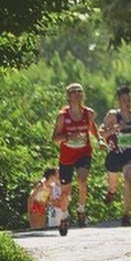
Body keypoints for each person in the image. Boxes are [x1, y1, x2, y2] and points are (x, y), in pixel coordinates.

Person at [51, 82, 102, 235]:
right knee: (66, 192)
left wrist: (99, 139)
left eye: (79, 91)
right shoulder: (62, 116)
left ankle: (81, 210)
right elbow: (54, 138)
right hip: (67, 155)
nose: (76, 94)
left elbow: (92, 126)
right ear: (68, 96)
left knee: (82, 180)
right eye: (73, 91)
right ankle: (64, 216)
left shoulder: (88, 113)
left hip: (84, 152)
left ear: (83, 94)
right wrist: (68, 136)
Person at [101, 86, 131, 227]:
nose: (127, 103)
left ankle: (126, 215)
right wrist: (114, 129)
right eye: (124, 100)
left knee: (128, 179)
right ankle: (111, 192)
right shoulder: (113, 115)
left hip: (130, 154)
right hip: (115, 155)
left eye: (129, 99)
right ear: (119, 101)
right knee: (113, 186)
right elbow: (101, 132)